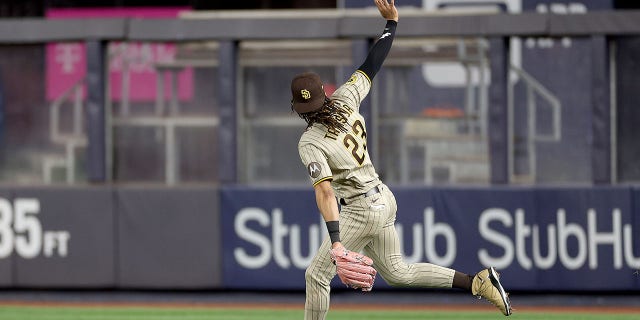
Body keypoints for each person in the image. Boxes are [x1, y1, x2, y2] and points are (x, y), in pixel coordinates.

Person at [290, 0, 512, 319]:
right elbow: (371, 65)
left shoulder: (309, 141)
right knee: (398, 273)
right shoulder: (345, 99)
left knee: (316, 275)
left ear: (298, 109)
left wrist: (336, 242)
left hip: (360, 208)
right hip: (383, 197)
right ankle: (477, 282)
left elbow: (325, 192)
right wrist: (391, 24)